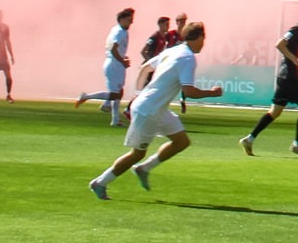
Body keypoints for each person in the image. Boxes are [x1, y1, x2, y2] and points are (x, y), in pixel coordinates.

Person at [87, 21, 222, 200]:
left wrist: (138, 93)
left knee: (181, 142)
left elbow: (145, 68)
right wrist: (212, 93)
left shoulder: (172, 50)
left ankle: (144, 168)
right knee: (137, 153)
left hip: (156, 108)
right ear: (199, 37)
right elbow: (189, 91)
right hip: (148, 111)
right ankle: (100, 182)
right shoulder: (187, 57)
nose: (204, 43)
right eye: (204, 39)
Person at [240, 3, 298, 158]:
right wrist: (296, 61)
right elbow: (279, 44)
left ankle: (249, 139)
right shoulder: (296, 30)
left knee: (274, 112)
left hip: (285, 77)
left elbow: (289, 53)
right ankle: (297, 144)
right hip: (289, 78)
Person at [75, 7, 134, 126]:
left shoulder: (119, 30)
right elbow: (113, 48)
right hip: (114, 64)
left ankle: (115, 119)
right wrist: (122, 60)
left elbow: (116, 49)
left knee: (119, 91)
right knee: (115, 94)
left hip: (116, 64)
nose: (131, 22)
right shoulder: (119, 32)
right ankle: (86, 96)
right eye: (129, 19)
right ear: (121, 19)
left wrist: (123, 58)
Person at [135, 17, 174, 90]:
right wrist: (150, 62)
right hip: (151, 67)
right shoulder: (155, 37)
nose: (168, 26)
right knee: (145, 87)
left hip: (157, 67)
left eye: (168, 24)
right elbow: (143, 51)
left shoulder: (166, 38)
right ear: (160, 24)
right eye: (166, 24)